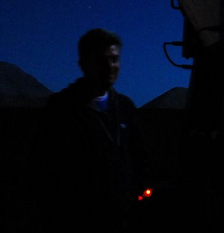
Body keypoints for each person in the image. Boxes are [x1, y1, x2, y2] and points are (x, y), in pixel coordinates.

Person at [31, 28, 147, 231]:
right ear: (84, 65)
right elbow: (47, 171)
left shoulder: (125, 107)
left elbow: (138, 156)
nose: (110, 67)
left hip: (123, 218)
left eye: (114, 59)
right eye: (102, 61)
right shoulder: (61, 110)